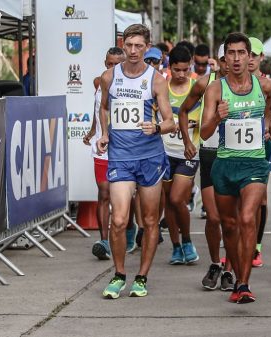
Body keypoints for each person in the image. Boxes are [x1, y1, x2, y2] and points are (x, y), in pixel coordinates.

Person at [97, 24, 175, 299]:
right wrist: (105, 133)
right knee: (118, 220)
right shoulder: (109, 77)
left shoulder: (156, 80)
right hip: (121, 156)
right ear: (123, 44)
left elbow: (170, 122)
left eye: (138, 46)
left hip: (150, 158)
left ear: (146, 47)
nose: (132, 51)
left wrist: (156, 127)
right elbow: (104, 107)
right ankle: (119, 274)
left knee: (150, 220)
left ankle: (142, 276)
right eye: (128, 45)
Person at [200, 33, 271, 304]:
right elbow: (204, 132)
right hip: (224, 163)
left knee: (246, 218)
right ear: (224, 57)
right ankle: (234, 275)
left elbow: (269, 113)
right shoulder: (215, 90)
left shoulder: (264, 86)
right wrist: (217, 117)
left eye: (241, 53)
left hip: (254, 162)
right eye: (230, 53)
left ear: (249, 56)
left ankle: (243, 283)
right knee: (229, 226)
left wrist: (269, 128)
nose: (235, 58)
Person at [179, 43, 234, 292]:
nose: (227, 63)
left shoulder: (249, 84)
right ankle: (215, 263)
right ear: (218, 60)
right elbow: (183, 110)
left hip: (238, 155)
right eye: (223, 59)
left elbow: (268, 109)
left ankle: (230, 270)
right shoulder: (204, 83)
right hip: (211, 153)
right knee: (213, 217)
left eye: (232, 57)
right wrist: (188, 141)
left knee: (231, 220)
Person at [83, 47, 129, 260]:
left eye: (117, 64)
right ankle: (104, 241)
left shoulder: (130, 86)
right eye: (109, 64)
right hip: (102, 148)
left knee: (126, 197)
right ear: (105, 63)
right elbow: (97, 109)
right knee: (103, 192)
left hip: (124, 148)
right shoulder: (98, 83)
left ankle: (129, 229)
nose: (112, 68)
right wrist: (94, 131)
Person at [161, 46, 201, 265]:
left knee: (178, 198)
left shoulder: (198, 88)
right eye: (177, 70)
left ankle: (187, 241)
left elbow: (207, 116)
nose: (182, 74)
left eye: (186, 69)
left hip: (188, 151)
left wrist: (194, 124)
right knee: (169, 200)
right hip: (164, 151)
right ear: (170, 67)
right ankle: (176, 247)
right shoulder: (162, 88)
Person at [247, 36, 271, 268]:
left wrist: (270, 128)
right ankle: (241, 241)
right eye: (248, 54)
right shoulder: (230, 83)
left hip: (261, 145)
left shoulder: (267, 85)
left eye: (255, 55)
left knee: (261, 197)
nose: (251, 60)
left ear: (261, 58)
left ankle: (256, 246)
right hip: (236, 146)